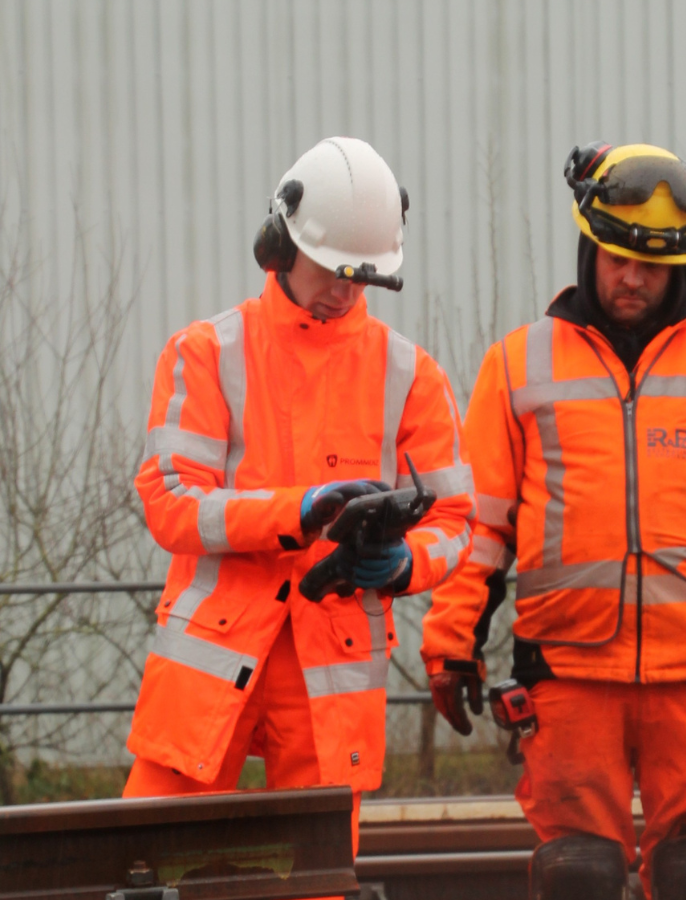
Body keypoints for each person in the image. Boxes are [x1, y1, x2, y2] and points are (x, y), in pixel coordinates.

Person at [421, 142, 686, 900]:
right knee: (579, 876)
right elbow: (480, 524)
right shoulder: (518, 364)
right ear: (589, 248)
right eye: (617, 258)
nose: (632, 278)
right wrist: (451, 640)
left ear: (681, 266)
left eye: (651, 265)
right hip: (567, 675)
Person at [123, 137, 475, 864]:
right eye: (333, 271)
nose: (344, 293)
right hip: (211, 661)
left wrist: (404, 563)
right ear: (279, 246)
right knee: (146, 862)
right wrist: (300, 511)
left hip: (331, 671)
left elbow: (454, 519)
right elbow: (173, 504)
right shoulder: (206, 353)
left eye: (362, 278)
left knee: (315, 877)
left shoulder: (411, 374)